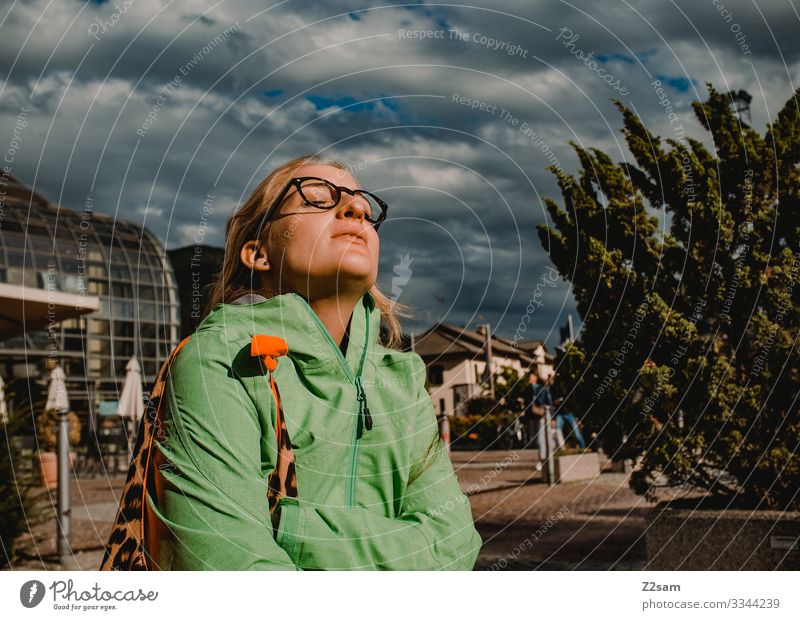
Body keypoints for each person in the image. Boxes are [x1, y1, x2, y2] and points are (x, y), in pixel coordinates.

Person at [100, 154, 482, 570]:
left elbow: (458, 544)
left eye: (365, 209)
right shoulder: (221, 363)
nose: (356, 210)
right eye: (317, 199)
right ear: (258, 253)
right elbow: (234, 572)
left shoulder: (403, 381)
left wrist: (293, 529)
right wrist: (405, 549)